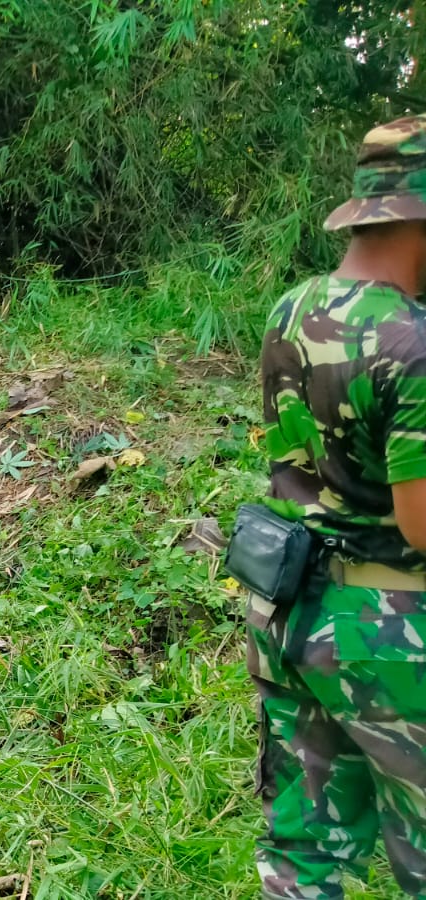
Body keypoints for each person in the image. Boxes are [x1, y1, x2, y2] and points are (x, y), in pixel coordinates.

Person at [249, 114, 426, 899]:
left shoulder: (292, 309)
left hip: (289, 611)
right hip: (390, 636)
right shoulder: (414, 342)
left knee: (306, 856)